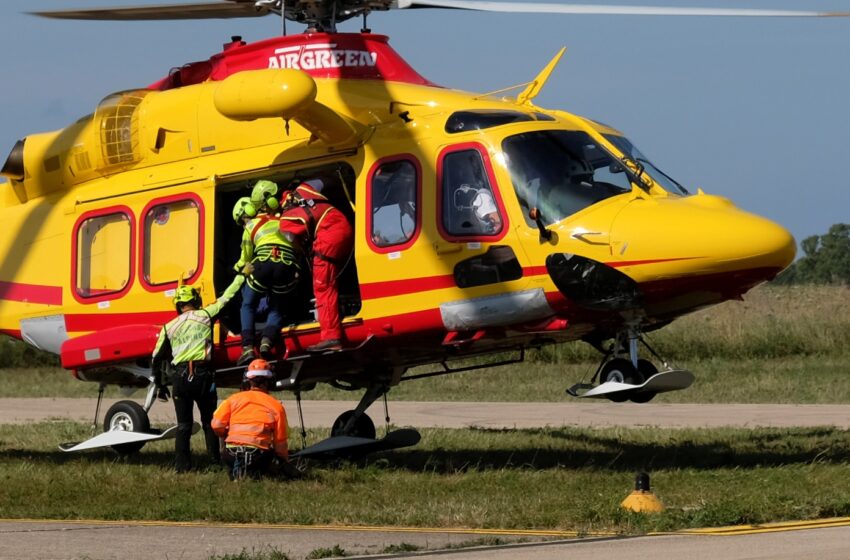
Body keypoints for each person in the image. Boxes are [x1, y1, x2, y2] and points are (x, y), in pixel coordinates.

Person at [151, 273, 246, 473]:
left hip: (180, 379)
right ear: (196, 300)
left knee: (183, 425)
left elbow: (156, 358)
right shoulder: (205, 315)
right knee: (209, 422)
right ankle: (214, 462)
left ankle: (182, 467)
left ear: (178, 305)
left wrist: (159, 385)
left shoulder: (168, 327)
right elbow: (226, 297)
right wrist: (242, 276)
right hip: (204, 376)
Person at [279, 178, 353, 352]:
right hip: (344, 226)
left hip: (328, 237)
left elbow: (295, 244)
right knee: (334, 277)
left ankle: (331, 337)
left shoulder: (286, 219)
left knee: (323, 288)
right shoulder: (307, 188)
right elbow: (323, 180)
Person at [233, 182, 302, 365]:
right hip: (286, 267)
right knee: (277, 308)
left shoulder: (251, 226)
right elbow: (297, 246)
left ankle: (247, 347)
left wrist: (235, 270)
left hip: (262, 266)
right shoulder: (285, 220)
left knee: (248, 304)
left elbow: (245, 259)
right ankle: (267, 342)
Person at [211, 358, 292, 480]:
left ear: (248, 380)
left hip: (230, 455)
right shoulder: (276, 406)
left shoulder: (232, 399)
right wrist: (284, 463)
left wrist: (225, 434)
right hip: (258, 458)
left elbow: (216, 425)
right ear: (269, 381)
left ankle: (237, 471)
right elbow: (280, 443)